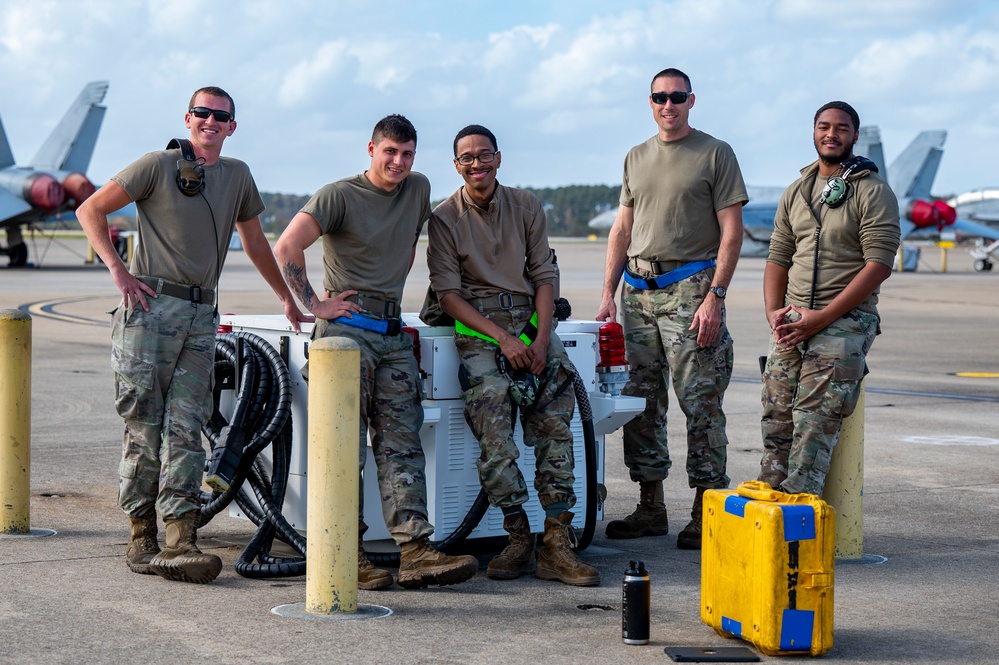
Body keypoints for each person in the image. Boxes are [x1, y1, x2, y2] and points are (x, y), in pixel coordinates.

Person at [77, 86, 310, 584]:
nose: (210, 121)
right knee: (144, 427)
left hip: (202, 317)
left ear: (231, 125)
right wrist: (118, 271)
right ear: (188, 118)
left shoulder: (238, 176)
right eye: (201, 113)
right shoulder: (156, 165)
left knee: (187, 429)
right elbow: (90, 211)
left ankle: (181, 537)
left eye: (220, 116)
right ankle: (142, 535)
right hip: (150, 310)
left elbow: (255, 244)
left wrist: (289, 299)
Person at [273, 114, 479, 590]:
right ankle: (348, 555)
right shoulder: (339, 195)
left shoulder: (418, 188)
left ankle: (415, 551)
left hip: (391, 334)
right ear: (371, 149)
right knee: (344, 448)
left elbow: (409, 246)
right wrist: (314, 304)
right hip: (345, 334)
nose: (398, 162)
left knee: (402, 444)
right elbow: (287, 247)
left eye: (407, 154)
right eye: (390, 152)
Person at [426, 124, 600, 587]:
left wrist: (541, 339)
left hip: (532, 321)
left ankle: (557, 542)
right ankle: (518, 535)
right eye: (467, 158)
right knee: (495, 434)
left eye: (485, 156)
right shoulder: (444, 219)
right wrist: (503, 341)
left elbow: (544, 275)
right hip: (479, 330)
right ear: (456, 165)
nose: (477, 164)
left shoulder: (526, 205)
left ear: (499, 159)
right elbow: (448, 297)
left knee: (556, 430)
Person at [596, 68, 747, 550]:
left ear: (691, 100)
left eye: (677, 97)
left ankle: (708, 507)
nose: (669, 104)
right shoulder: (636, 157)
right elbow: (622, 230)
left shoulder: (715, 153)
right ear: (651, 101)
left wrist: (716, 297)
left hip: (691, 289)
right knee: (641, 403)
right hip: (637, 293)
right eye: (660, 97)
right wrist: (607, 296)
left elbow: (732, 231)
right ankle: (650, 506)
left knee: (699, 400)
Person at [758, 101, 900, 495]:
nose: (831, 134)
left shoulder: (872, 192)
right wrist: (774, 312)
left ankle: (800, 500)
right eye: (824, 126)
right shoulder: (797, 191)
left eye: (841, 128)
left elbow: (879, 264)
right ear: (814, 131)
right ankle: (771, 491)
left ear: (854, 135)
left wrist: (821, 318)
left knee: (814, 420)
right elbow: (778, 256)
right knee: (776, 411)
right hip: (792, 319)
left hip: (845, 319)